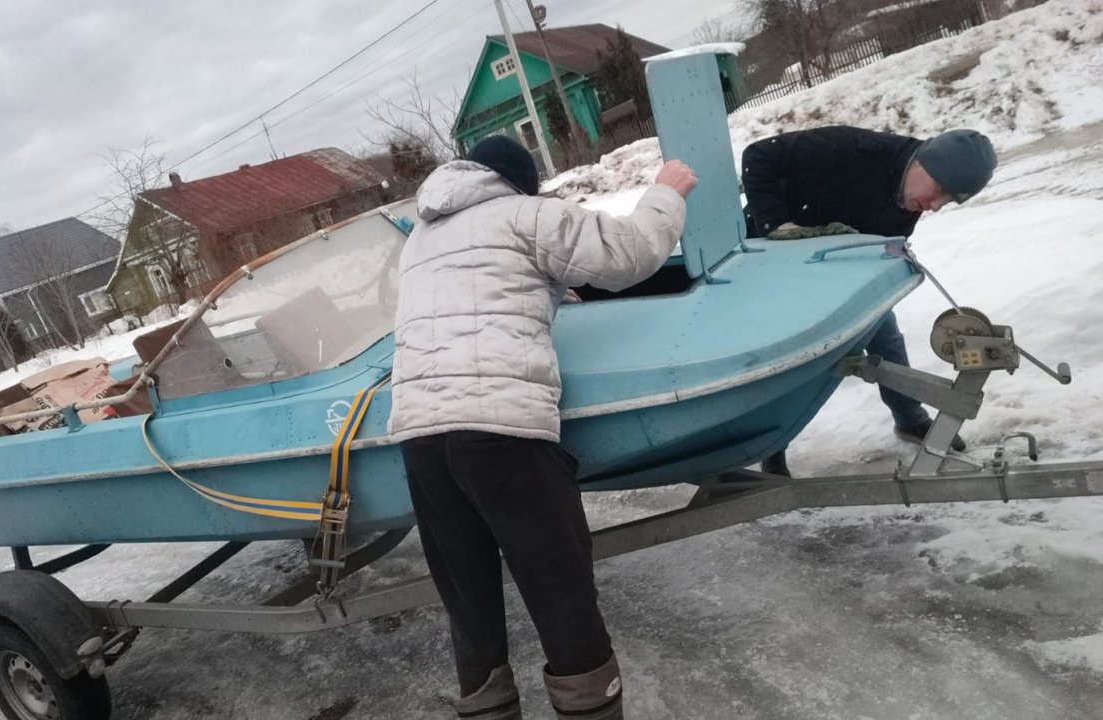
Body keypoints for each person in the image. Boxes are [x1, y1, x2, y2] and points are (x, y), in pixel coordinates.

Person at [389, 135, 697, 720]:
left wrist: (551, 286)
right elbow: (629, 253)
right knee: (559, 590)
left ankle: (487, 705)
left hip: (420, 437)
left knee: (469, 601)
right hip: (501, 432)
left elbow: (478, 289)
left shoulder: (422, 238)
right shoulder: (527, 214)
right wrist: (666, 193)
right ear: (518, 184)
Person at [741, 125, 998, 477]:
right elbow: (757, 155)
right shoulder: (853, 149)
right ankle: (773, 447)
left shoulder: (910, 200)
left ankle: (910, 418)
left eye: (948, 200)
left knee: (882, 328)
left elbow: (883, 245)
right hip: (769, 255)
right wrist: (777, 224)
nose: (936, 206)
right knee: (788, 350)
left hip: (839, 263)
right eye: (940, 191)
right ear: (924, 164)